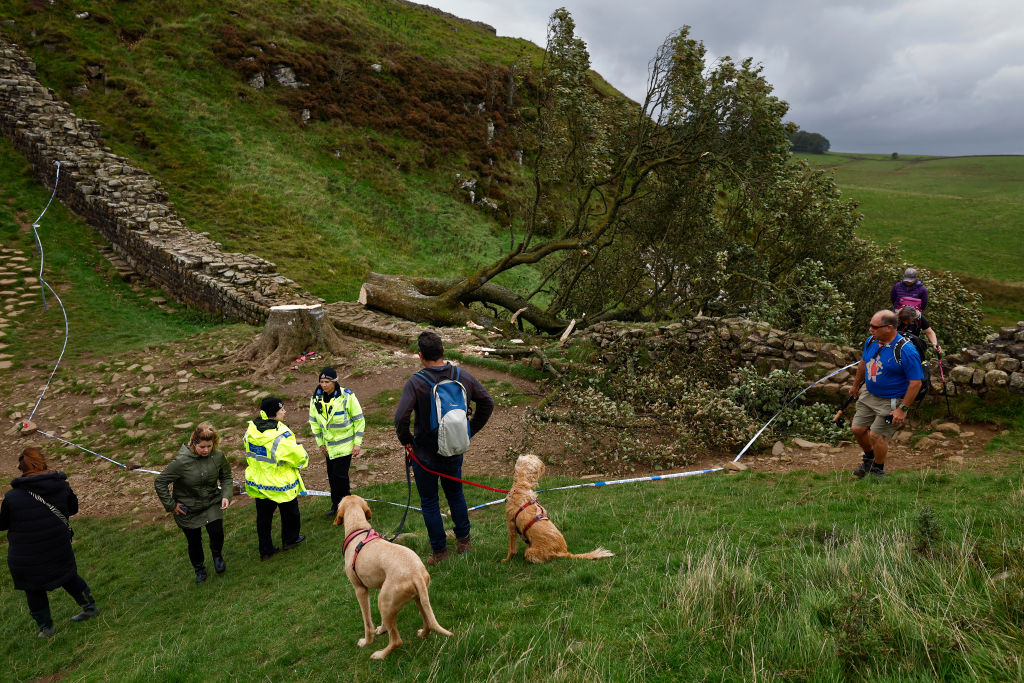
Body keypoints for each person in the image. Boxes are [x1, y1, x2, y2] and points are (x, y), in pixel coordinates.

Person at [394, 331, 494, 565]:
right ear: (443, 351)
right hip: (454, 450)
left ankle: (439, 552)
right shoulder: (462, 375)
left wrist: (406, 439)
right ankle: (464, 542)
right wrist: (470, 430)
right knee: (455, 494)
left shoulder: (416, 382)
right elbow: (487, 402)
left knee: (429, 502)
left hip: (424, 454)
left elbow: (401, 417)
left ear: (420, 355)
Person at [0, 448, 99, 638]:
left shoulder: (13, 497)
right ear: (44, 462)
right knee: (69, 577)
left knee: (33, 588)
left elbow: (2, 524)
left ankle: (46, 629)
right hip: (57, 546)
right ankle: (90, 608)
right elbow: (73, 509)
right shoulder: (61, 486)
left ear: (22, 469)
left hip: (26, 555)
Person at [849, 310, 924, 478]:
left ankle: (878, 469)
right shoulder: (871, 341)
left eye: (874, 327)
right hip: (870, 393)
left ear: (889, 327)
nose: (870, 329)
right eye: (870, 326)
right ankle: (868, 460)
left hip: (892, 399)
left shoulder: (907, 350)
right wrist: (855, 386)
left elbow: (916, 382)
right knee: (857, 429)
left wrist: (902, 409)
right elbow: (863, 362)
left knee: (876, 435)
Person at [155, 423, 233, 583]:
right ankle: (200, 569)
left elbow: (226, 476)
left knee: (217, 532)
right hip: (188, 509)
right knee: (194, 542)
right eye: (202, 447)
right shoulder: (181, 462)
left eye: (209, 446)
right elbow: (160, 482)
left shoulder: (218, 456)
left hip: (211, 502)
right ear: (193, 444)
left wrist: (226, 495)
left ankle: (217, 556)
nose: (206, 450)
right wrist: (171, 505)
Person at [243, 397, 309, 560]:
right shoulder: (281, 434)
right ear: (274, 413)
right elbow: (297, 456)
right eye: (282, 409)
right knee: (291, 513)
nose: (285, 411)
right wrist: (304, 460)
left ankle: (265, 551)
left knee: (263, 519)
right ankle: (290, 540)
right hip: (280, 483)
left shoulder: (251, 429)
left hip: (259, 482)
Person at [308, 367, 364, 517]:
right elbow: (314, 422)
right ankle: (336, 506)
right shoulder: (315, 399)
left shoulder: (347, 397)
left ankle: (349, 508)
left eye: (327, 382)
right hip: (328, 448)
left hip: (345, 446)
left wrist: (357, 443)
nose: (324, 385)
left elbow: (359, 420)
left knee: (341, 478)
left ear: (335, 382)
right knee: (332, 477)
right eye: (321, 382)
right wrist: (320, 444)